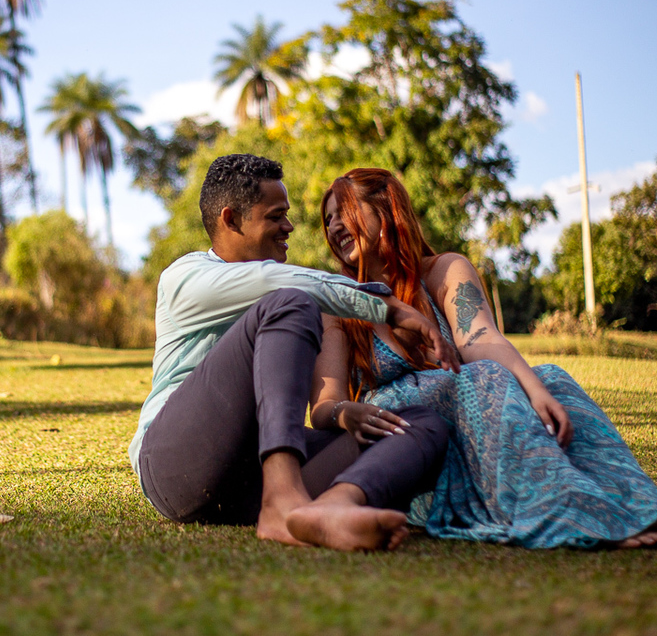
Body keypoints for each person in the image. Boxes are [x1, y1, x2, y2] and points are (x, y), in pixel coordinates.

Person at [311, 168, 657, 549]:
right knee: (480, 378)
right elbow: (324, 406)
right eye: (328, 220)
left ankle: (634, 505)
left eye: (343, 212)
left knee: (551, 378)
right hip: (399, 424)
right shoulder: (334, 299)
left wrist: (535, 389)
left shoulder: (444, 271)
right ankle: (567, 511)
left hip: (466, 401)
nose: (333, 227)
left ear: (386, 211)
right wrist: (347, 412)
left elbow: (480, 339)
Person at [129, 154, 462, 551]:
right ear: (231, 219)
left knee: (422, 425)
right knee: (292, 301)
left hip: (247, 482)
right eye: (276, 216)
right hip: (175, 467)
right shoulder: (185, 278)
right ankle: (283, 501)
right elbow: (276, 283)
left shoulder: (283, 285)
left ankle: (334, 506)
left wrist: (343, 413)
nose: (289, 226)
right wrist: (386, 306)